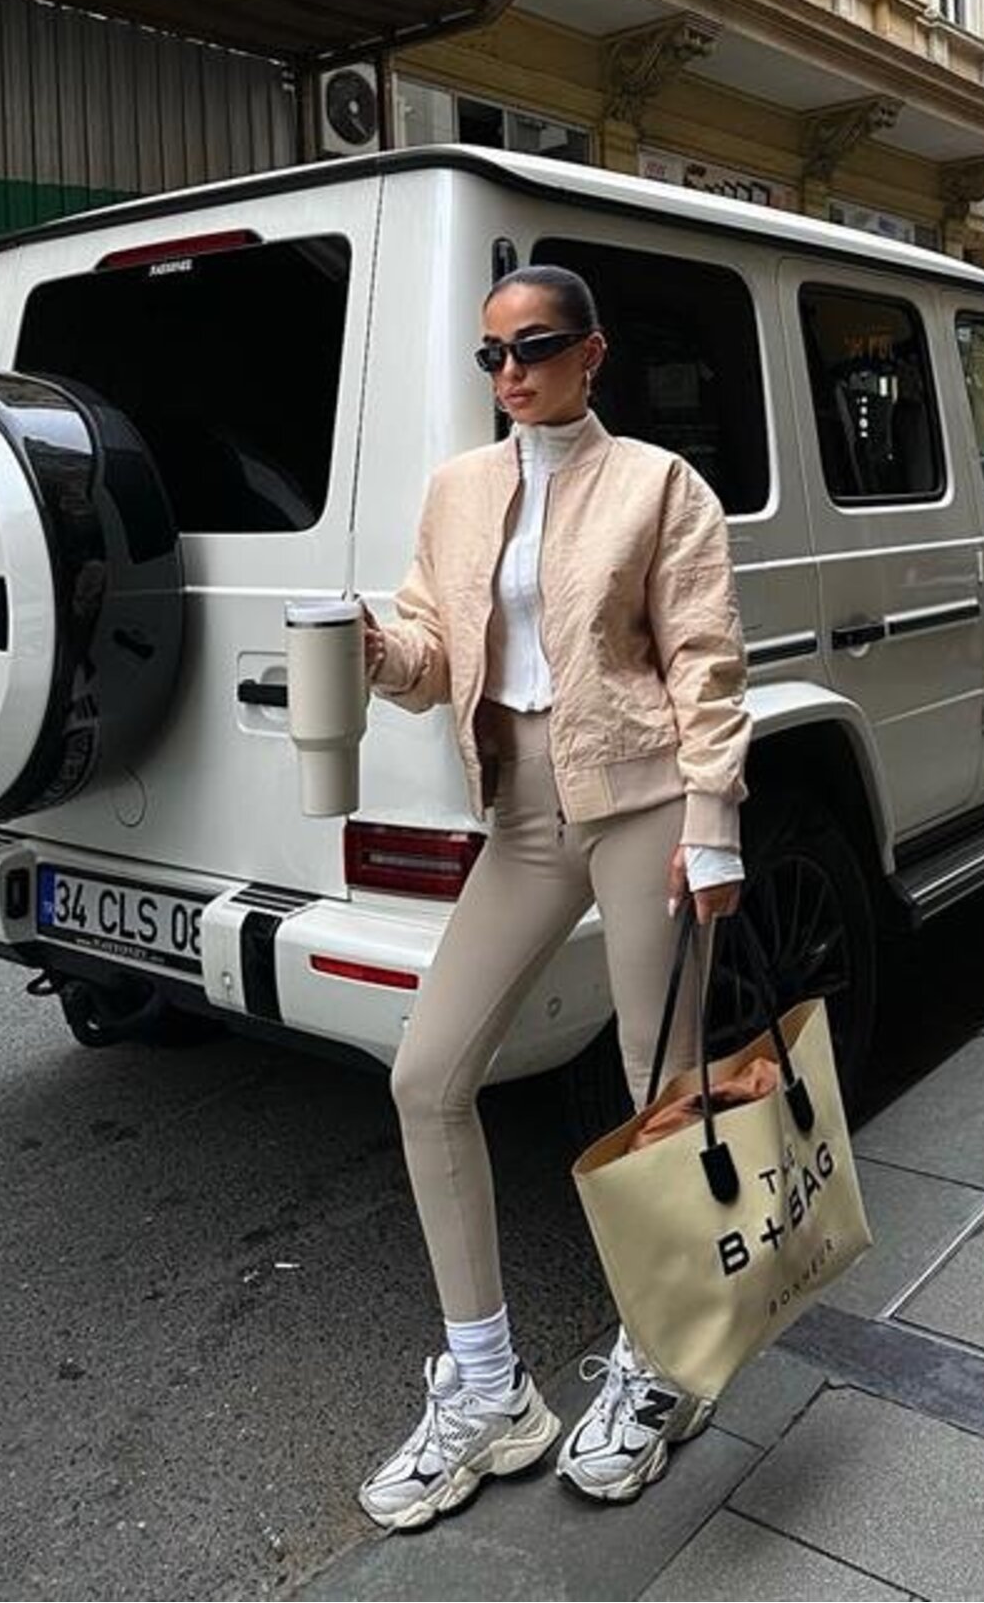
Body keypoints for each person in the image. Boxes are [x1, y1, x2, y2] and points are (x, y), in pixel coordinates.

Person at [357, 265, 750, 1530]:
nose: (511, 372)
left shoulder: (658, 486)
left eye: (535, 347)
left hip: (641, 803)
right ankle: (488, 1389)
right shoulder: (459, 491)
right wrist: (374, 651)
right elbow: (433, 656)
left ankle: (667, 1361)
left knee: (659, 1087)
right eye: (493, 354)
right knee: (427, 1077)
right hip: (524, 816)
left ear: (593, 353)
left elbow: (704, 661)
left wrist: (713, 822)